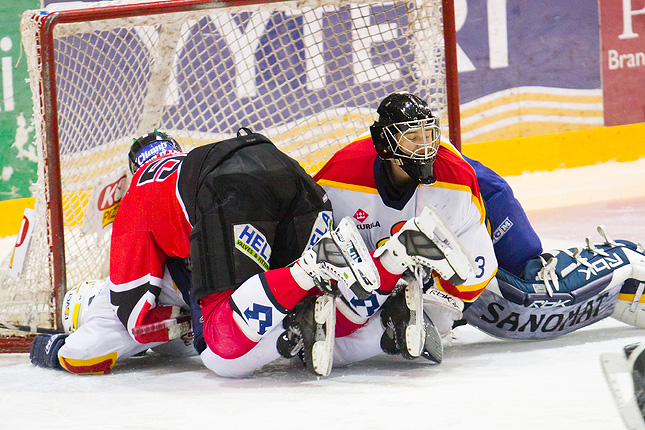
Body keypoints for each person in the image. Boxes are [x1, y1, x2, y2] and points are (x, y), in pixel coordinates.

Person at [304, 92, 499, 365]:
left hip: (439, 281)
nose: (425, 146)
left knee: (454, 312)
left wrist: (436, 294)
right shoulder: (340, 176)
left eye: (429, 135)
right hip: (372, 279)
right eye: (413, 138)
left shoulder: (455, 178)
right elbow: (315, 248)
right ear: (385, 143)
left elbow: (476, 262)